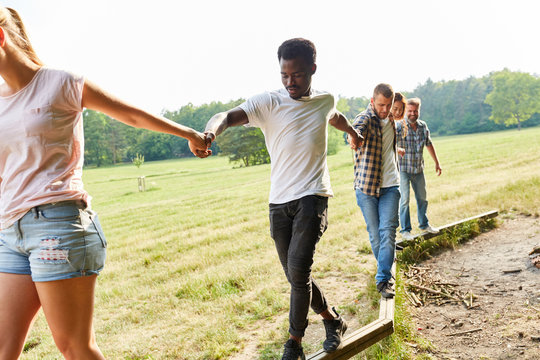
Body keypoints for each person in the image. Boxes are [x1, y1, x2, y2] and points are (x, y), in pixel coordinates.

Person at [0, 7, 209, 359]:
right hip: (10, 233)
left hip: (59, 225)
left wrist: (187, 133)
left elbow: (130, 113)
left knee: (75, 347)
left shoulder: (60, 82)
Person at [201, 38, 362, 360]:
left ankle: (294, 344)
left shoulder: (324, 99)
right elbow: (227, 116)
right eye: (284, 76)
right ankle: (333, 320)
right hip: (278, 202)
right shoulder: (267, 102)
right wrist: (209, 134)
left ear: (313, 70)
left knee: (299, 271)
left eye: (298, 75)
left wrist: (354, 134)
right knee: (295, 275)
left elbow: (335, 115)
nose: (290, 82)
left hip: (313, 196)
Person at [350, 83, 400, 299]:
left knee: (388, 232)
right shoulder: (366, 118)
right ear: (372, 102)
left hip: (390, 185)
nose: (384, 109)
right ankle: (385, 269)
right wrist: (354, 138)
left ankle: (382, 280)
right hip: (366, 188)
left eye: (388, 105)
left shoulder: (391, 120)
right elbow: (355, 131)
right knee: (376, 235)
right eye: (380, 105)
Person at [396, 97, 442, 241]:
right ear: (405, 111)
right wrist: (397, 149)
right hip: (403, 169)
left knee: (422, 198)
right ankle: (405, 230)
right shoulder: (399, 126)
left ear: (419, 111)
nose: (412, 113)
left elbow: (429, 144)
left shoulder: (422, 126)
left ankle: (424, 224)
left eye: (415, 111)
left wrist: (437, 162)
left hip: (418, 169)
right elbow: (389, 143)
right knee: (404, 200)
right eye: (410, 111)